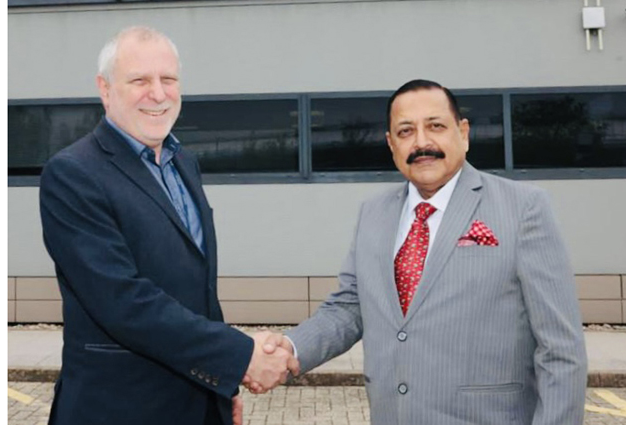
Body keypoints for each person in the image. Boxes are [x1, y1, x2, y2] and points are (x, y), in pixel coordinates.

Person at [256, 79, 588, 424]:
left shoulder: (523, 208)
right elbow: (349, 307)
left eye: (435, 126)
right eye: (406, 131)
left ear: (463, 133)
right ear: (391, 144)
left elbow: (561, 351)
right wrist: (290, 347)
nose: (422, 143)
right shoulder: (374, 214)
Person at [39, 26, 296, 425]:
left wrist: (221, 386)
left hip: (198, 403)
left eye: (168, 79)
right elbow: (123, 302)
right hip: (118, 412)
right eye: (139, 80)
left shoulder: (183, 164)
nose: (158, 94)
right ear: (105, 89)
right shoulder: (73, 173)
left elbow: (198, 292)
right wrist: (239, 356)